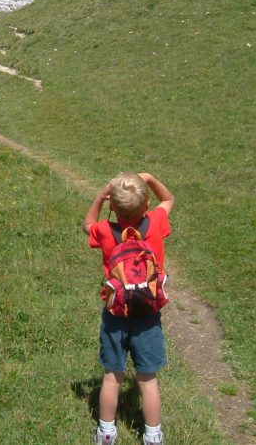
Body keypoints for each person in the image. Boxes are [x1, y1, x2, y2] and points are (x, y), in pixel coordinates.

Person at [82, 172, 175, 445]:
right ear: (146, 206)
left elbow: (87, 224)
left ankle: (107, 432)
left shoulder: (105, 231)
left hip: (116, 315)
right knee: (148, 380)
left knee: (112, 377)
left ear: (112, 206)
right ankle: (153, 436)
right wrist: (151, 178)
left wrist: (100, 196)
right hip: (148, 315)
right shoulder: (156, 222)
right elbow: (169, 199)